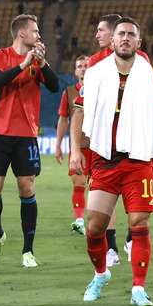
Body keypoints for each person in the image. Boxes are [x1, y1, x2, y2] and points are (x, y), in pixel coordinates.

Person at [76, 17, 153, 306]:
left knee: (139, 222)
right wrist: (74, 150)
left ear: (139, 42)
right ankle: (101, 274)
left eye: (131, 34)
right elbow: (79, 114)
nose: (126, 38)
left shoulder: (151, 75)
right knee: (94, 227)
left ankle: (138, 288)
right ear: (113, 39)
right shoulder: (94, 73)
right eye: (121, 33)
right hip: (105, 159)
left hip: (139, 159)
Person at [0, 14, 59, 268]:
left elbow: (55, 87)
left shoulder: (37, 62)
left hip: (26, 133)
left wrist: (42, 63)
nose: (39, 35)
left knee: (27, 188)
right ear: (21, 34)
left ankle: (28, 250)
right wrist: (24, 64)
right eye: (35, 31)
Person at [70, 14, 143, 265]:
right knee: (104, 201)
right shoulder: (94, 64)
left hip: (137, 144)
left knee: (136, 201)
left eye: (101, 30)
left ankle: (132, 240)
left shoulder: (141, 62)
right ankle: (110, 248)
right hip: (104, 145)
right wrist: (76, 148)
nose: (96, 35)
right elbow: (81, 109)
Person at [55, 55, 91, 236]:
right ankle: (79, 220)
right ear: (76, 71)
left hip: (100, 147)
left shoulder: (102, 89)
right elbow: (63, 119)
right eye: (80, 66)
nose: (83, 69)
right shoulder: (69, 92)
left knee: (99, 187)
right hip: (78, 147)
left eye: (87, 65)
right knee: (79, 183)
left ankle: (99, 221)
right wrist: (58, 144)